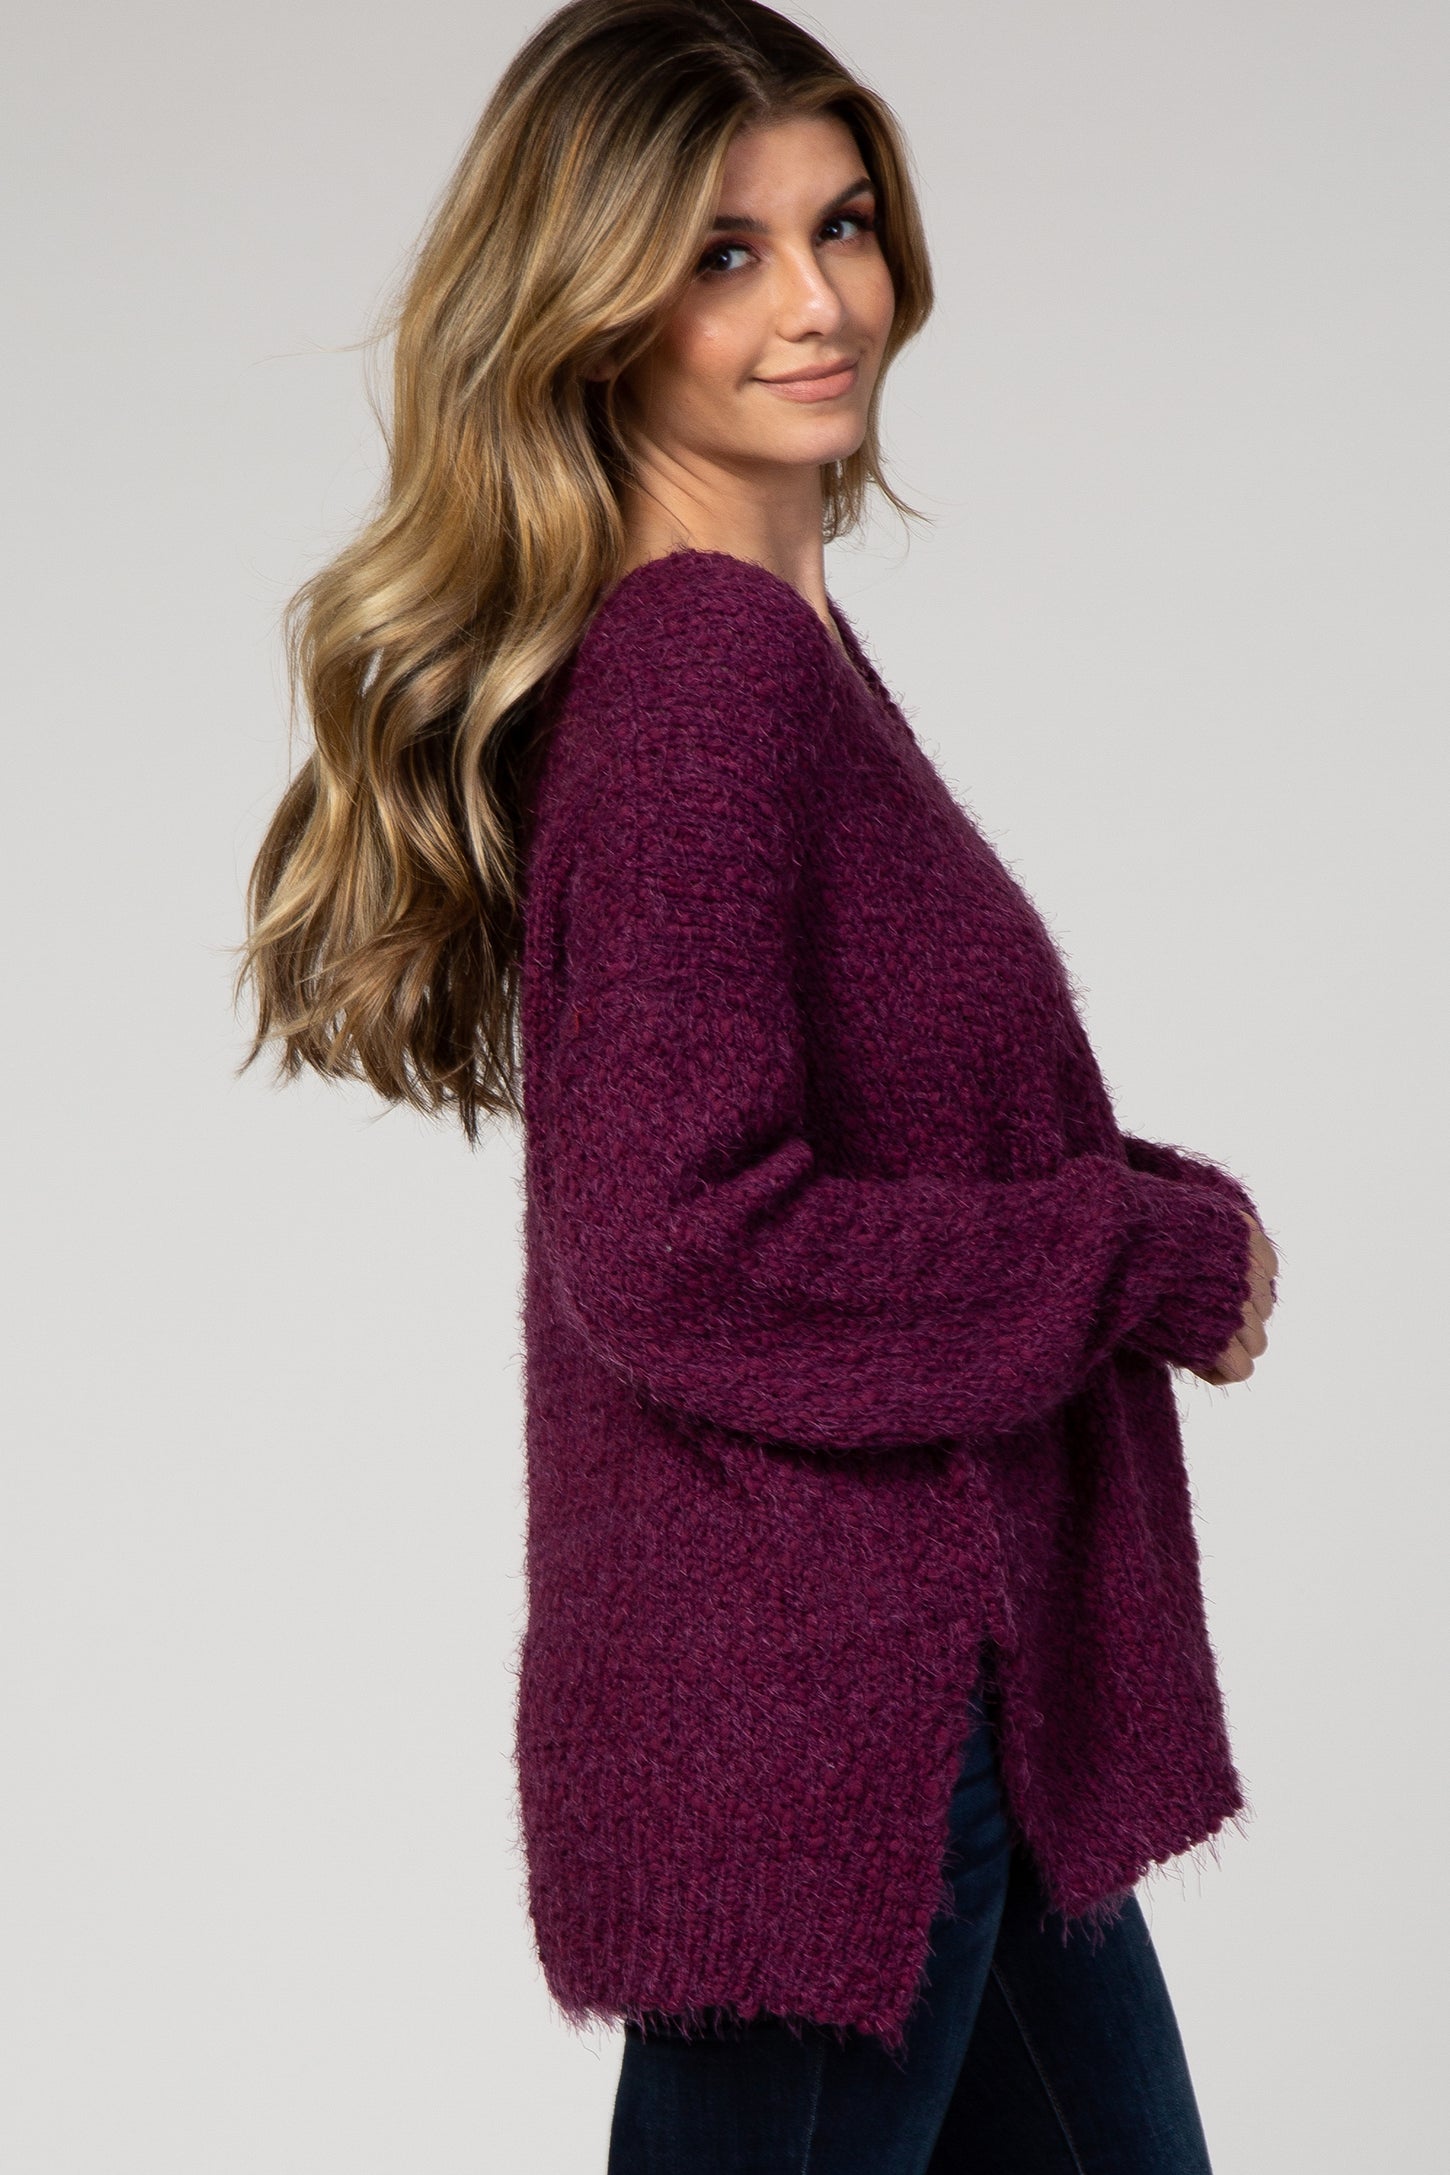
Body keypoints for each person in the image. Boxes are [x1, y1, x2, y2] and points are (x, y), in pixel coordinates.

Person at [236, 3, 1279, 2168]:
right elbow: (679, 1241)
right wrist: (1135, 1250)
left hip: (938, 1687)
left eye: (843, 225)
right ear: (594, 301)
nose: (818, 302)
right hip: (829, 1737)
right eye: (725, 251)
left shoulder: (775, 648)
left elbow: (914, 1133)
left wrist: (1149, 1212)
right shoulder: (698, 671)